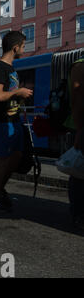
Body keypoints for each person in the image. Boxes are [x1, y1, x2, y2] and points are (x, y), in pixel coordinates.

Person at [0, 31, 33, 212]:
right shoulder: (0, 68)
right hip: (2, 122)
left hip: (13, 120)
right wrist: (18, 92)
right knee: (3, 160)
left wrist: (21, 97)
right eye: (23, 46)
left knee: (16, 157)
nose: (24, 49)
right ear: (15, 47)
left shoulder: (12, 69)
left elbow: (9, 95)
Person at [67, 53, 84, 230]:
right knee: (80, 172)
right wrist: (80, 129)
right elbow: (77, 98)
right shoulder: (80, 66)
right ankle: (78, 214)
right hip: (82, 126)